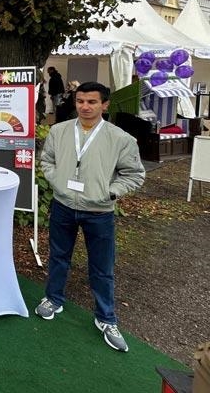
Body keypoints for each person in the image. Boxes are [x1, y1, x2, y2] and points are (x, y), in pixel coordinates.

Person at [36, 81, 145, 352]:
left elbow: (134, 174)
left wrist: (110, 192)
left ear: (104, 104)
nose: (85, 107)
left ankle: (106, 318)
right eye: (81, 101)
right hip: (63, 205)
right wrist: (58, 182)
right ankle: (53, 299)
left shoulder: (120, 138)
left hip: (99, 211)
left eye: (92, 102)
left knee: (102, 267)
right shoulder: (59, 131)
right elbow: (47, 160)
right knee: (59, 257)